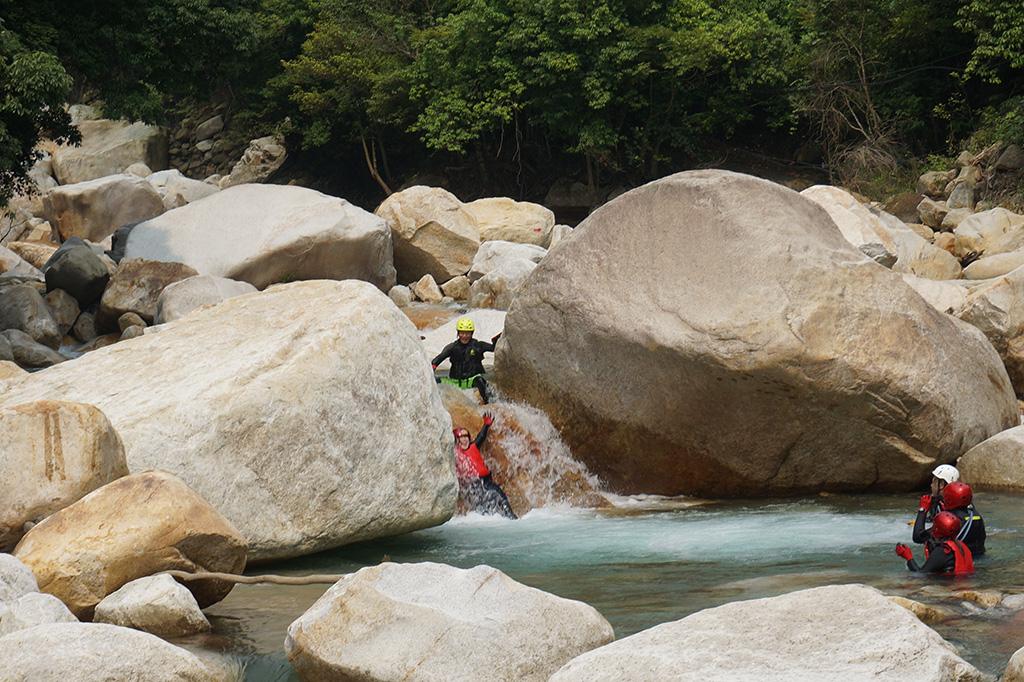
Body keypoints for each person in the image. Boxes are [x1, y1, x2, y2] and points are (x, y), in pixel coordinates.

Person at [453, 414, 517, 519]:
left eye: (466, 436)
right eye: (461, 437)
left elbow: (481, 437)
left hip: (486, 481)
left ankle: (511, 517)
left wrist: (486, 425)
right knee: (482, 506)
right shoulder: (455, 454)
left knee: (500, 496)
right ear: (457, 440)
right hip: (472, 485)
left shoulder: (473, 446)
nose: (464, 439)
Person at [431, 317, 500, 404]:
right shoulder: (452, 347)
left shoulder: (478, 345)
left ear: (472, 333)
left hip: (472, 380)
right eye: (462, 333)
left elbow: (494, 348)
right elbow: (437, 360)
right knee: (435, 380)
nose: (464, 336)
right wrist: (432, 368)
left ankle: (489, 404)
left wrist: (496, 341)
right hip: (455, 382)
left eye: (467, 334)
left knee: (480, 381)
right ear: (458, 333)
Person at [896, 511, 974, 575]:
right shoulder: (961, 545)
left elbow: (920, 574)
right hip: (961, 584)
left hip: (949, 588)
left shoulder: (942, 551)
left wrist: (908, 557)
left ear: (936, 529)